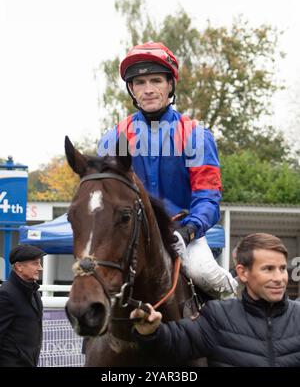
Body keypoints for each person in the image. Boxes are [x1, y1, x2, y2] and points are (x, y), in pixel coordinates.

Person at [98, 41, 237, 298]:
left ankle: (240, 312)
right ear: (131, 89)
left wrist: (189, 230)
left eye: (156, 81)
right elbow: (108, 195)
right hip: (130, 236)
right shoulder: (115, 138)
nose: (148, 90)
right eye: (140, 83)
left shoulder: (195, 135)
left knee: (203, 273)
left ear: (170, 85)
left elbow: (207, 196)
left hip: (184, 234)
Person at [130, 233, 300, 367]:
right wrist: (151, 332)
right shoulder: (218, 316)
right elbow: (173, 343)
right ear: (242, 273)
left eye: (282, 269)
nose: (279, 278)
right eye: (268, 269)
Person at [0, 244, 46, 367]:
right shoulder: (6, 293)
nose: (40, 268)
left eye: (39, 263)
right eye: (35, 263)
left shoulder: (34, 291)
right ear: (19, 266)